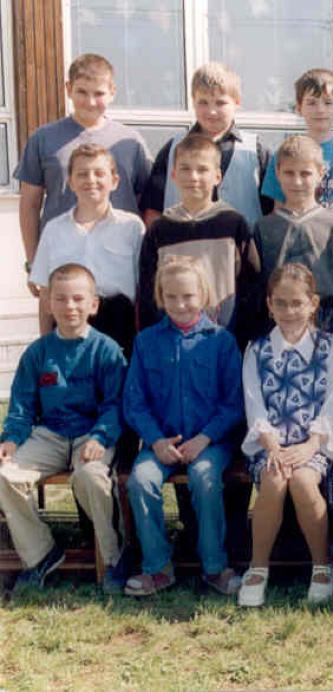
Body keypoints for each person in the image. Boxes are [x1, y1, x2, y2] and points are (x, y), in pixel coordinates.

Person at [0, 264, 127, 592]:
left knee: (91, 477)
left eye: (78, 299)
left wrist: (101, 437)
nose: (70, 306)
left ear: (93, 304)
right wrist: (11, 440)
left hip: (91, 434)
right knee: (4, 475)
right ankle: (41, 554)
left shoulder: (107, 350)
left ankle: (114, 558)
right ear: (48, 304)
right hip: (51, 435)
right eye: (60, 299)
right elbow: (22, 406)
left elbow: (116, 404)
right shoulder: (38, 353)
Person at [123, 256, 244, 597]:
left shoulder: (221, 341)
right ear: (160, 297)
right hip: (161, 443)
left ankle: (214, 567)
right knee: (141, 481)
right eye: (171, 296)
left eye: (188, 296)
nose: (180, 304)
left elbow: (235, 403)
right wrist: (156, 441)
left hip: (211, 443)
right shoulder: (146, 342)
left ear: (203, 295)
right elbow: (135, 403)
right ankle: (158, 567)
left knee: (204, 478)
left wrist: (205, 438)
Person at [15, 53, 150, 331]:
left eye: (98, 93)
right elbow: (29, 204)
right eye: (81, 92)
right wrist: (33, 261)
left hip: (115, 278)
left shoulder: (131, 142)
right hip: (64, 273)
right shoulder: (44, 139)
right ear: (68, 89)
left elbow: (144, 202)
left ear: (112, 92)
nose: (90, 101)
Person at [238, 264, 333, 607]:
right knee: (274, 479)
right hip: (270, 445)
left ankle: (322, 566)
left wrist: (311, 445)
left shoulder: (330, 347)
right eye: (281, 303)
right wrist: (272, 446)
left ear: (313, 304)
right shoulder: (257, 350)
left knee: (301, 480)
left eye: (297, 303)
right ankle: (258, 567)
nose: (289, 311)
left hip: (313, 445)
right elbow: (255, 406)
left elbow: (331, 404)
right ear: (269, 305)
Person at [137, 133, 262, 348]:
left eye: (202, 169)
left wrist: (245, 336)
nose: (193, 177)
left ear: (217, 176)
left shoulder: (233, 224)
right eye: (185, 169)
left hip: (225, 339)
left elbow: (251, 284)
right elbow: (149, 292)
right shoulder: (161, 229)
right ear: (173, 175)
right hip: (172, 340)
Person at [28, 143, 145, 355]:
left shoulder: (132, 227)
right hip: (67, 326)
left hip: (118, 327)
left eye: (99, 173)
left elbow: (143, 290)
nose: (91, 180)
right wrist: (46, 347)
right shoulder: (54, 230)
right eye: (82, 174)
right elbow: (46, 293)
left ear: (114, 181)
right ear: (70, 182)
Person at [261, 68, 333, 262]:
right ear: (299, 108)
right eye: (312, 103)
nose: (320, 110)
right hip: (297, 256)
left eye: (328, 102)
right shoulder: (285, 153)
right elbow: (279, 210)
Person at [140, 62, 272, 228]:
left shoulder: (255, 152)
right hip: (181, 242)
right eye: (203, 102)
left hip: (240, 243)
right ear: (193, 102)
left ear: (237, 102)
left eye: (220, 103)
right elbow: (153, 210)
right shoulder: (173, 149)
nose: (211, 111)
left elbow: (272, 212)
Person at [256, 135, 333, 342]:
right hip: (279, 327)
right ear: (277, 173)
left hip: (327, 326)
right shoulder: (264, 227)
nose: (297, 181)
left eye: (305, 173)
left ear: (321, 173)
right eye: (289, 173)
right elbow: (258, 291)